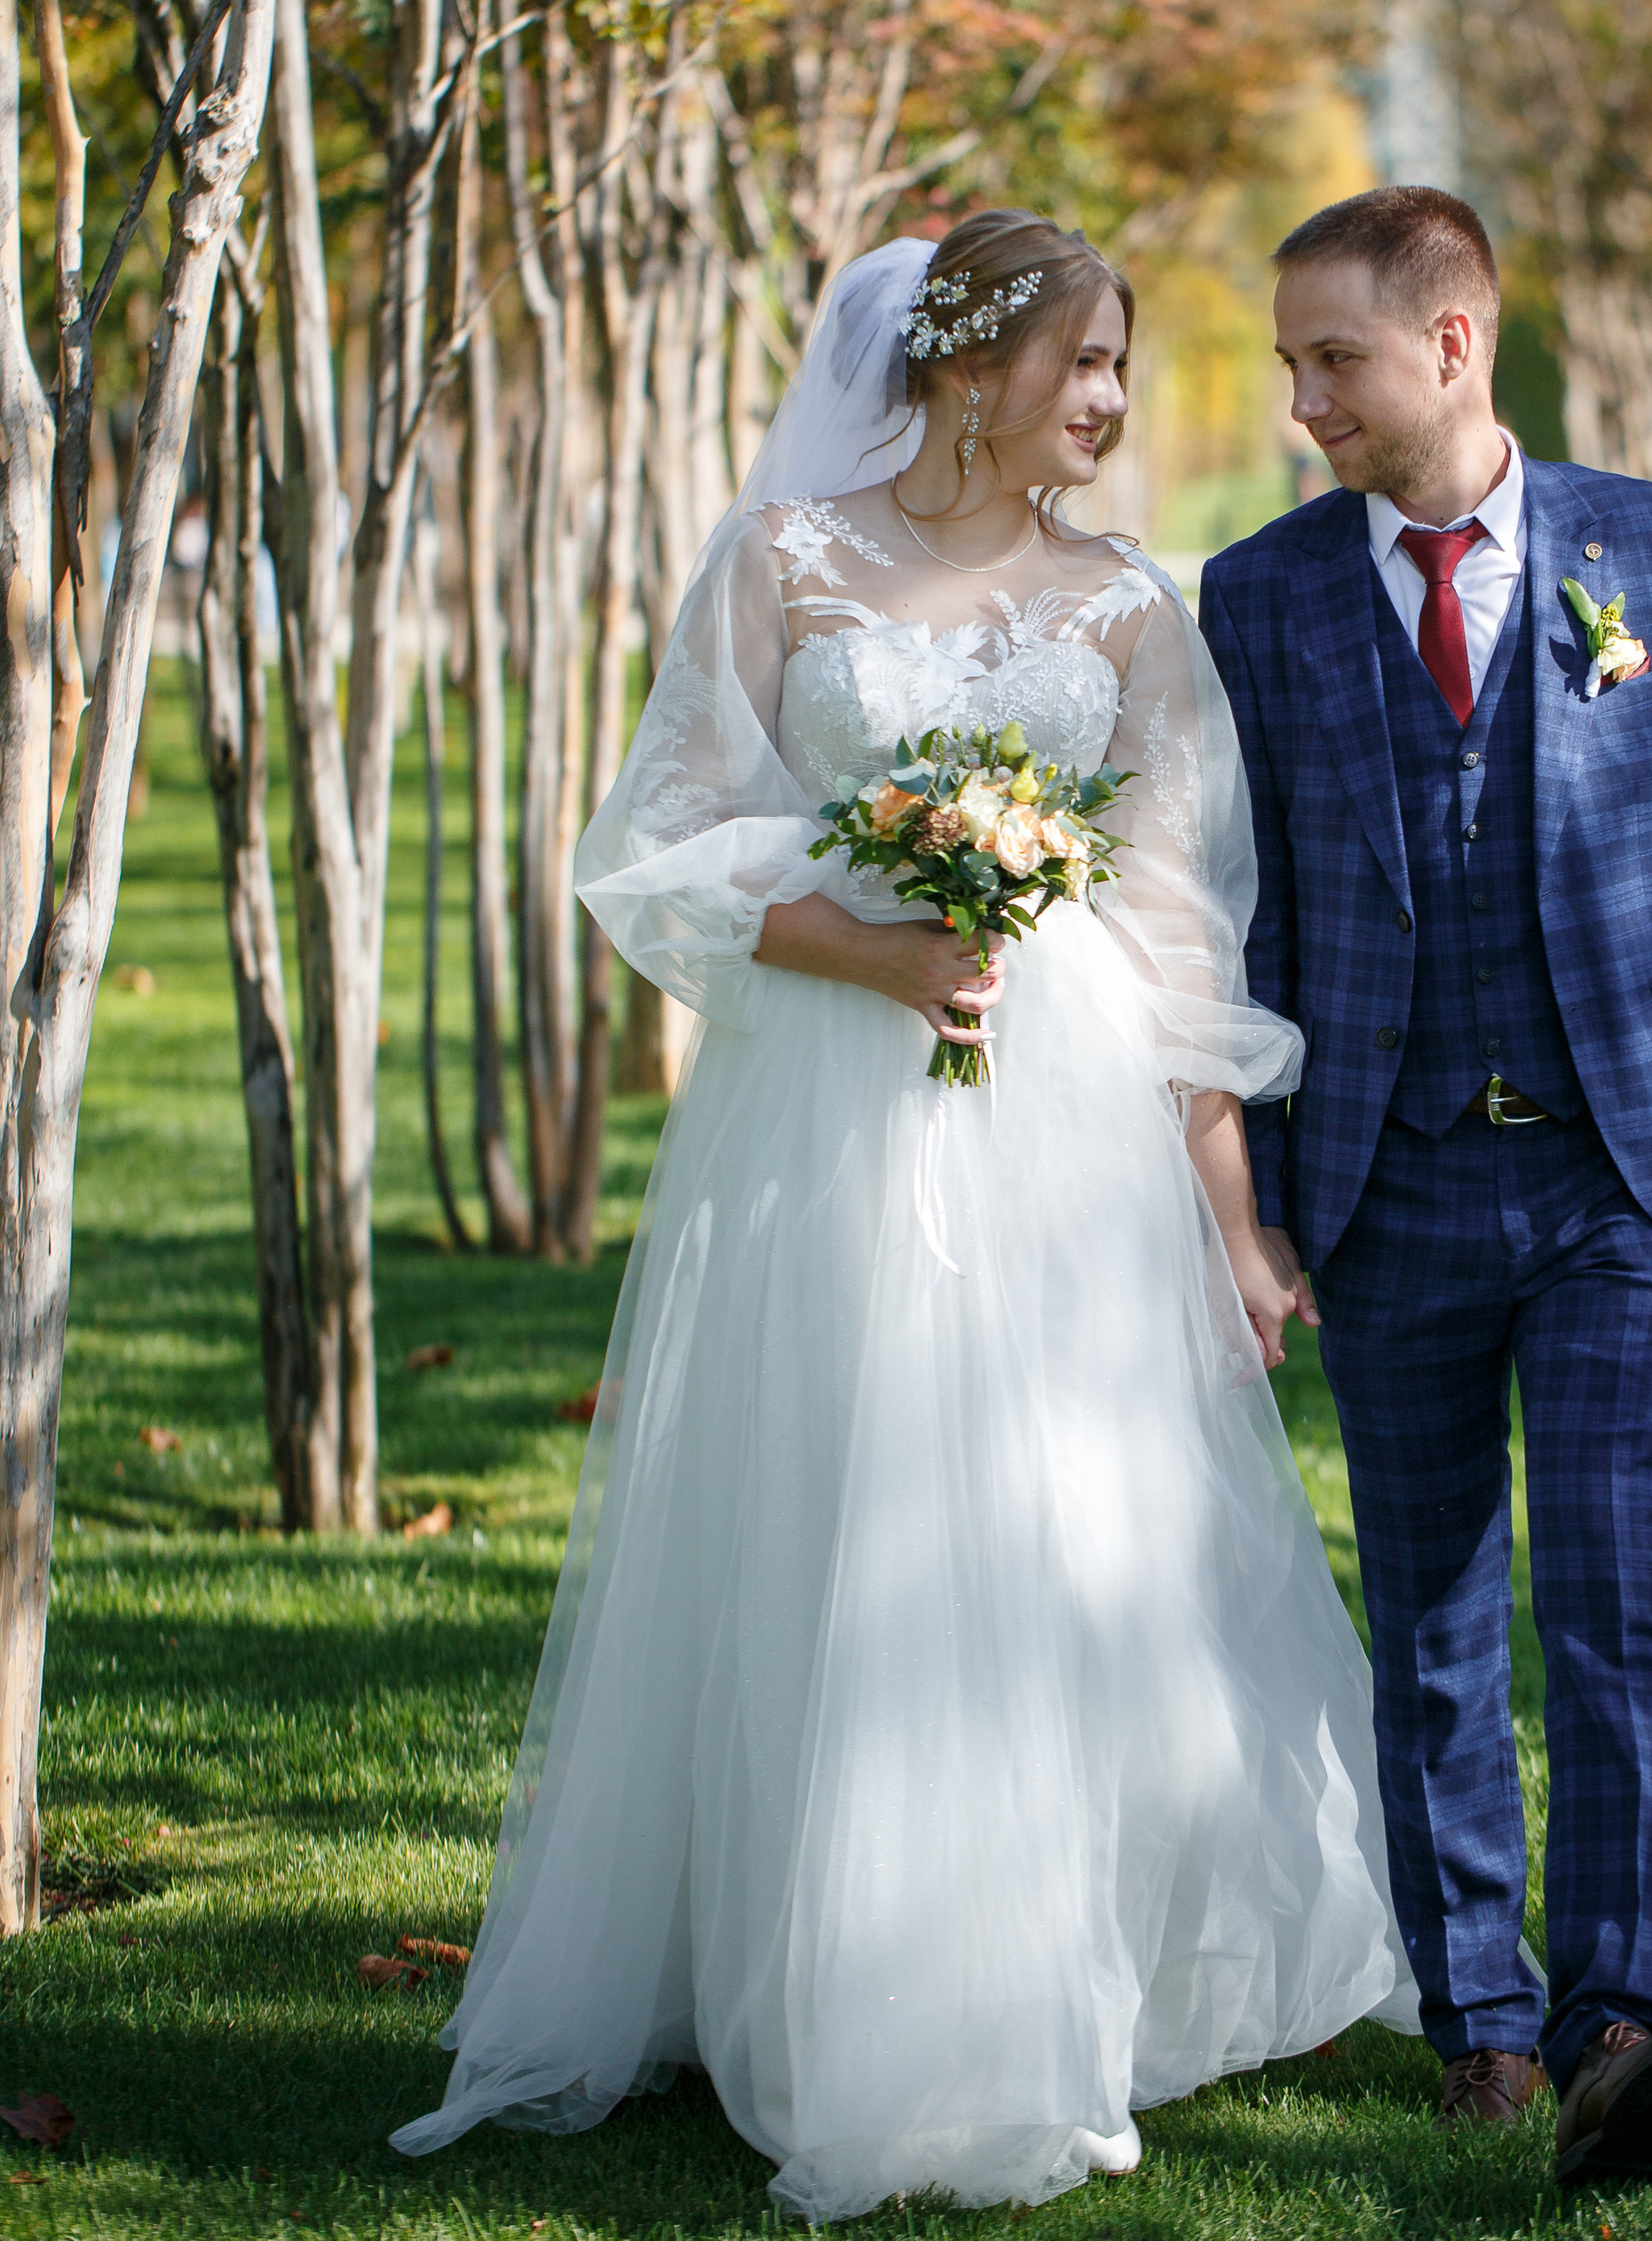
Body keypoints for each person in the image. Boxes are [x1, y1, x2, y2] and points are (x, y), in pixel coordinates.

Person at [391, 211, 1415, 2222]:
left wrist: (1225, 1219)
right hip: (830, 1122)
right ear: (963, 370)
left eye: (1123, 366)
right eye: (1085, 363)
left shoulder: (1129, 601)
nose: (1112, 402)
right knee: (844, 1512)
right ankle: (836, 1975)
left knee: (1056, 1520)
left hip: (1070, 1135)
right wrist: (860, 948)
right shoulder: (781, 562)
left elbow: (1175, 920)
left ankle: (1075, 1981)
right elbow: (652, 844)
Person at [1199, 185, 1652, 2192]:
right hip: (1383, 1186)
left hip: (1620, 1168)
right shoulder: (1256, 594)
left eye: (1336, 359)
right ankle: (1477, 2014)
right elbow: (1236, 911)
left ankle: (1619, 2017)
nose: (1302, 397)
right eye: (1293, 362)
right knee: (1431, 1626)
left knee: (1610, 1605)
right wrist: (1249, 1190)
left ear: (1453, 342)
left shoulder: (1639, 545)